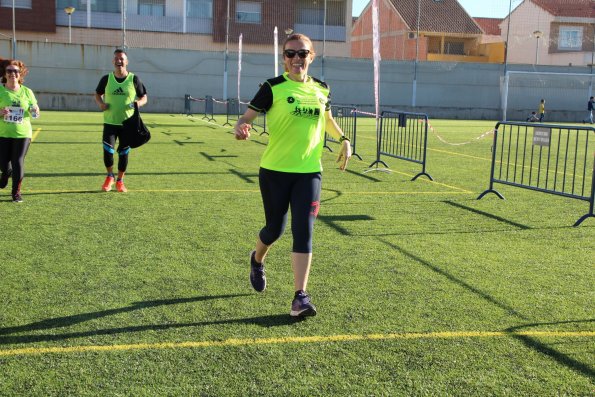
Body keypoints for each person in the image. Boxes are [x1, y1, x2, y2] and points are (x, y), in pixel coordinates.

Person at [234, 33, 352, 318]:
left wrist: (344, 139)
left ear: (312, 56)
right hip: (275, 171)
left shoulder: (321, 89)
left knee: (304, 231)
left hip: (309, 173)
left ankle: (300, 296)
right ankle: (257, 258)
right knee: (274, 229)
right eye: (290, 54)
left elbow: (327, 120)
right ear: (283, 58)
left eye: (302, 53)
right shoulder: (271, 87)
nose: (296, 59)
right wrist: (241, 127)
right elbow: (246, 117)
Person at [94, 49, 148, 192]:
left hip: (128, 124)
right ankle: (109, 176)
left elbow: (144, 97)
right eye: (116, 59)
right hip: (110, 122)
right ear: (113, 61)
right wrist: (100, 104)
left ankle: (120, 180)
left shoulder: (134, 79)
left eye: (122, 59)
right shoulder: (106, 79)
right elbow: (97, 94)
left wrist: (138, 103)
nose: (119, 61)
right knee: (108, 151)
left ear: (126, 61)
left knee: (124, 153)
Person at [0, 59, 40, 203]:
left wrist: (35, 110)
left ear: (20, 74)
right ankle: (5, 173)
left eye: (16, 71)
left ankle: (16, 192)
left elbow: (36, 114)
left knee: (18, 161)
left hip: (22, 133)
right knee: (3, 163)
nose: (13, 74)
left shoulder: (27, 92)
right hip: (2, 133)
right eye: (9, 71)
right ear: (5, 74)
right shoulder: (0, 90)